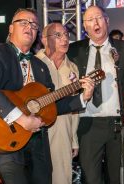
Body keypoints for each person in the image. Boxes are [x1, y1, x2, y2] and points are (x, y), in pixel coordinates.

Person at [0, 8, 95, 184]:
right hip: (7, 141)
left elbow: (52, 105)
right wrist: (22, 119)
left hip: (38, 144)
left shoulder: (40, 65)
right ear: (10, 28)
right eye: (23, 22)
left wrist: (82, 97)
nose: (29, 27)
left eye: (33, 25)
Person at [68, 5, 124, 184]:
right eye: (90, 20)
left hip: (117, 125)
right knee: (91, 177)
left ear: (107, 21)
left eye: (99, 18)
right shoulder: (74, 51)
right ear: (84, 26)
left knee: (117, 177)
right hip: (88, 124)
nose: (95, 23)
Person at [36, 22, 80, 184]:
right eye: (58, 35)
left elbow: (75, 108)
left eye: (67, 35)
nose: (65, 39)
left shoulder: (73, 68)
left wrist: (73, 138)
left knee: (62, 178)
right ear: (44, 40)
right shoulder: (33, 63)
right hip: (36, 132)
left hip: (63, 132)